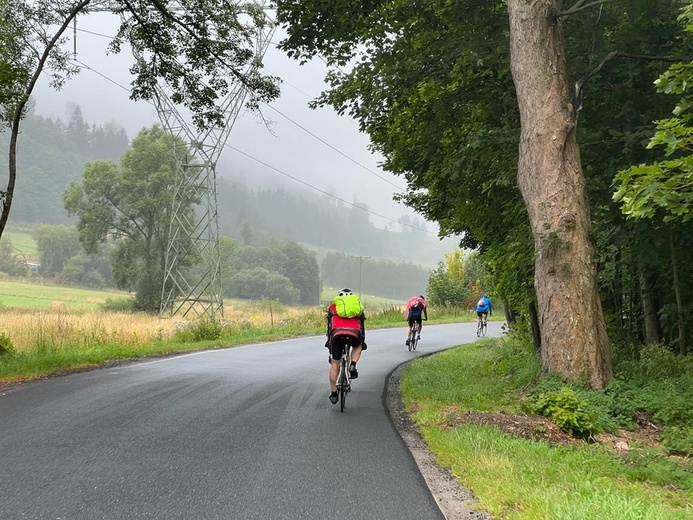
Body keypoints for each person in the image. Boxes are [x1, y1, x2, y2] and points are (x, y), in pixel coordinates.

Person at [325, 288, 366, 404]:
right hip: (354, 333)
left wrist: (329, 342)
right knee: (358, 346)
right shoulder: (358, 307)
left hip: (337, 335)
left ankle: (333, 393)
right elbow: (362, 326)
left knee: (335, 364)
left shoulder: (333, 306)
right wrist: (363, 341)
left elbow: (329, 326)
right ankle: (352, 365)